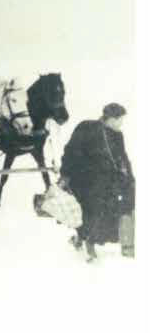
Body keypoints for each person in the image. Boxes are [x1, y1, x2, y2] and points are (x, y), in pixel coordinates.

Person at [60, 103, 135, 261]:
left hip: (109, 179)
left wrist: (130, 177)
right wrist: (65, 175)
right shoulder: (87, 128)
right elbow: (70, 151)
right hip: (84, 178)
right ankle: (89, 243)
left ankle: (120, 244)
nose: (121, 124)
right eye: (119, 120)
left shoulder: (117, 135)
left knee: (123, 203)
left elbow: (123, 158)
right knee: (94, 205)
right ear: (110, 118)